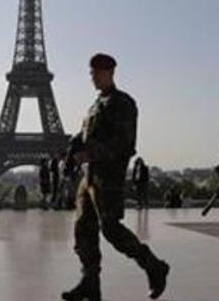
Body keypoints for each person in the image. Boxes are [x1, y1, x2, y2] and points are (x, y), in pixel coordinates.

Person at [62, 53, 169, 301]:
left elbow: (125, 144)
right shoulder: (96, 104)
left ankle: (153, 265)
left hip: (107, 178)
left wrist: (90, 154)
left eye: (96, 73)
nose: (93, 77)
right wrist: (73, 149)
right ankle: (90, 283)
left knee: (111, 229)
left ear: (110, 72)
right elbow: (85, 135)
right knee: (83, 230)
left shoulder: (123, 103)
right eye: (91, 73)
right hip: (89, 178)